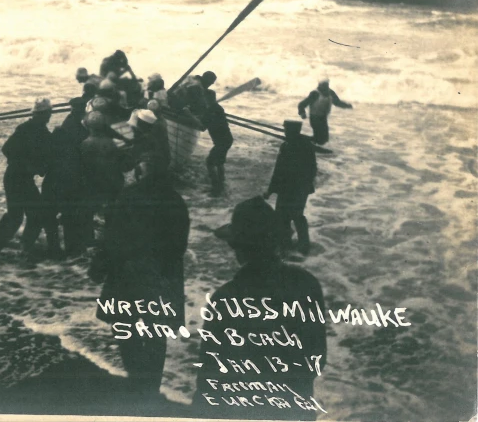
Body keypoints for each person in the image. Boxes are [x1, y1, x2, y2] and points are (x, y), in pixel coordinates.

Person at [192, 196, 327, 420]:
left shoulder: (226, 298)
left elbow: (209, 377)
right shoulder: (306, 284)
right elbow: (317, 359)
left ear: (237, 248)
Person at [89, 161, 190, 396]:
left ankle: (135, 376)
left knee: (124, 325)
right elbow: (179, 245)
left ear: (140, 173)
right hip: (162, 275)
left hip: (127, 271)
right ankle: (151, 385)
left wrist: (99, 266)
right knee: (157, 331)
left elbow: (111, 236)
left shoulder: (128, 195)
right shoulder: (176, 201)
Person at [0, 98, 53, 259]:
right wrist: (27, 165)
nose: (45, 117)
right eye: (43, 114)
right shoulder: (27, 129)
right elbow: (7, 149)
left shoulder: (38, 131)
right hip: (17, 177)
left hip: (19, 178)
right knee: (20, 216)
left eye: (44, 114)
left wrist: (33, 166)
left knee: (30, 215)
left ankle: (14, 246)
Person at [41, 97, 90, 257]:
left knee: (50, 216)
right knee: (69, 215)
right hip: (71, 181)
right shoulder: (81, 130)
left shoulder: (63, 129)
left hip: (53, 182)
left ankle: (54, 248)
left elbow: (45, 164)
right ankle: (72, 249)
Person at [263, 120, 317, 254]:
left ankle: (290, 245)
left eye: (286, 130)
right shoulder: (305, 145)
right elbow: (312, 169)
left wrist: (271, 190)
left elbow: (279, 171)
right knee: (293, 216)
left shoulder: (287, 146)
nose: (285, 132)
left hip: (291, 188)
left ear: (293, 131)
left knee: (288, 216)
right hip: (296, 188)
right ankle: (301, 245)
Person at [298, 77, 352, 145]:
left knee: (325, 139)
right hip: (314, 117)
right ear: (319, 84)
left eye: (326, 85)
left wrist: (347, 106)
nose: (325, 87)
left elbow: (337, 102)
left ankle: (312, 142)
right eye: (323, 85)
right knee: (319, 138)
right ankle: (311, 145)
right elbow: (302, 104)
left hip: (323, 118)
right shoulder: (315, 93)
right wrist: (302, 113)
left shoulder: (330, 92)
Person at [201, 89, 234, 197]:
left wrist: (189, 115)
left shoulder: (210, 109)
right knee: (219, 163)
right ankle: (221, 184)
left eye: (205, 97)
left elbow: (201, 127)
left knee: (209, 162)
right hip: (227, 139)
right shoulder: (217, 107)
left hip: (221, 141)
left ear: (208, 98)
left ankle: (216, 187)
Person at [130, 109, 170, 180]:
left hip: (152, 169)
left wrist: (138, 165)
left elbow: (147, 158)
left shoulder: (148, 138)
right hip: (157, 165)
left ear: (141, 125)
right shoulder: (151, 134)